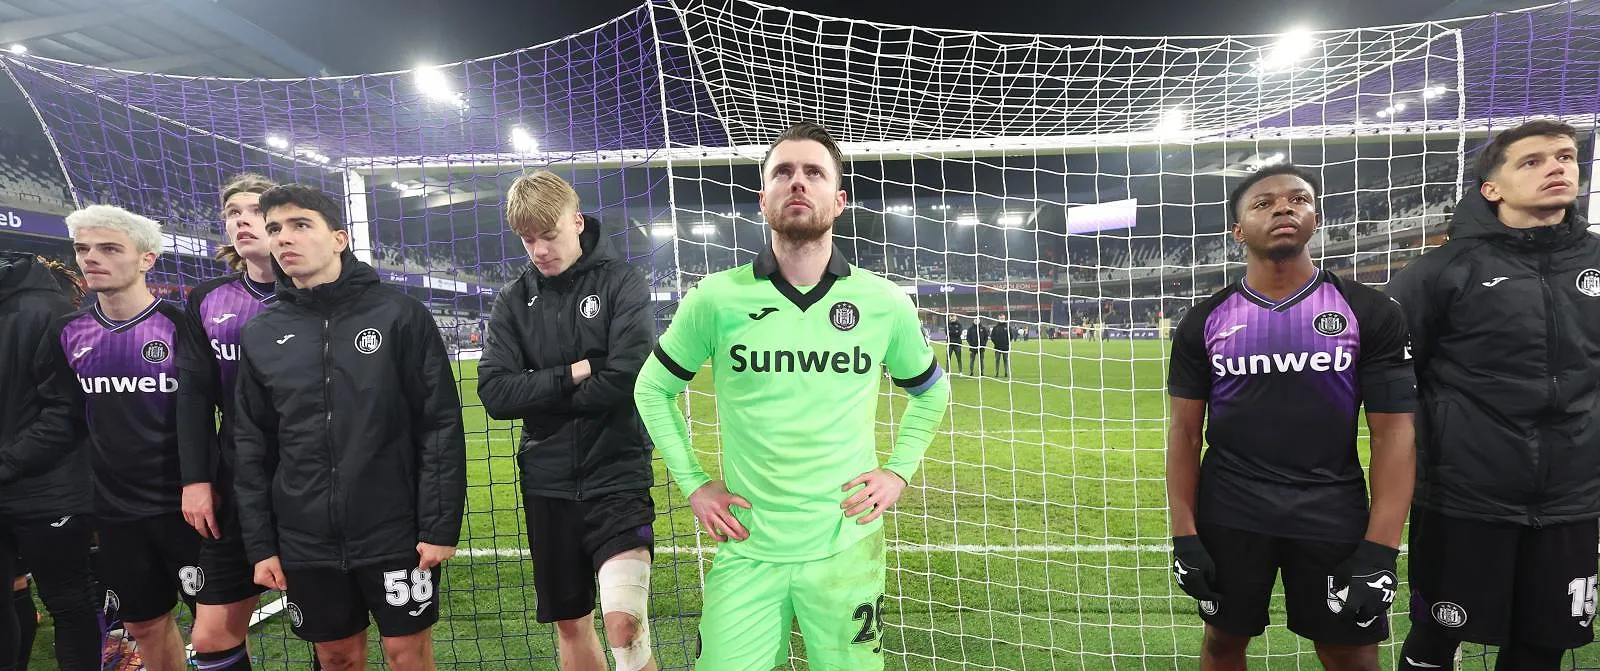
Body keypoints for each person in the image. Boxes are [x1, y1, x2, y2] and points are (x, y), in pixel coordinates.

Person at [634, 121, 951, 670]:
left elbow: (931, 392)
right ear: (763, 198)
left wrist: (898, 471)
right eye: (783, 172)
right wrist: (694, 485)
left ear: (839, 198)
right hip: (749, 549)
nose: (797, 182)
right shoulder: (716, 299)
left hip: (847, 549)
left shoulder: (883, 302)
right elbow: (652, 388)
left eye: (814, 173)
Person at [1165, 164, 1416, 671]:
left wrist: (1381, 550)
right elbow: (1185, 433)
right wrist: (1184, 535)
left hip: (1332, 508)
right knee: (1222, 643)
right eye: (1262, 203)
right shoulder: (1204, 319)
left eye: (1297, 199)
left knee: (1350, 651)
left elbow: (1394, 433)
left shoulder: (1368, 311)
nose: (1283, 207)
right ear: (1237, 231)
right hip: (1231, 510)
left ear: (1315, 217)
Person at [1387, 120, 1600, 671]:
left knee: (1542, 645)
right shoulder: (1440, 272)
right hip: (1466, 496)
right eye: (1531, 161)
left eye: (1565, 157)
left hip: (1571, 499)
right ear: (1491, 188)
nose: (1557, 167)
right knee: (1437, 636)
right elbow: (1396, 377)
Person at [232, 184, 467, 671]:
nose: (283, 238)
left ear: (339, 238)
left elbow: (439, 425)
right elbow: (251, 444)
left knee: (407, 654)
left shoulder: (400, 316)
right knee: (336, 658)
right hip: (304, 537)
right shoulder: (261, 333)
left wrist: (439, 525)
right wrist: (261, 544)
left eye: (300, 225)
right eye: (275, 228)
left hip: (393, 530)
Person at [477, 171, 657, 671]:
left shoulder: (622, 282)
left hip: (616, 473)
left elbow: (627, 377)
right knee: (571, 624)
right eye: (527, 239)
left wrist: (537, 391)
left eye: (549, 235)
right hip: (547, 483)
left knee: (626, 625)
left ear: (576, 222)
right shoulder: (513, 301)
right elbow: (494, 392)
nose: (539, 249)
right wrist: (575, 372)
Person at [54, 206, 208, 671]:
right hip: (117, 511)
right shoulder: (70, 332)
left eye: (108, 248)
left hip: (189, 506)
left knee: (214, 626)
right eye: (83, 249)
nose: (90, 259)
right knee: (143, 625)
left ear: (147, 259)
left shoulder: (183, 326)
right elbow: (67, 418)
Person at [174, 174, 282, 671]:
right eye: (232, 212)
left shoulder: (319, 295)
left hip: (312, 478)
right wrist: (197, 479)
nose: (242, 219)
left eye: (255, 209)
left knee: (332, 634)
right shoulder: (207, 300)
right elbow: (194, 397)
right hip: (236, 480)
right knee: (212, 635)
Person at [0, 252, 99, 671]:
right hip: (24, 482)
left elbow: (67, 411)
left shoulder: (51, 311)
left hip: (48, 489)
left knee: (67, 603)